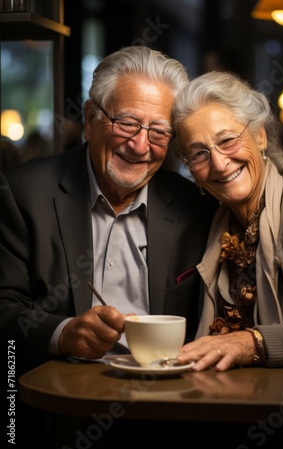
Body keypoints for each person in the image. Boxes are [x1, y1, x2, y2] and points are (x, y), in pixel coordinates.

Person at [0, 46, 219, 378]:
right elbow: (4, 310)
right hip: (60, 399)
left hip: (169, 400)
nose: (140, 145)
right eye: (127, 123)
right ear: (90, 119)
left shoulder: (198, 207)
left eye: (158, 131)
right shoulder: (21, 193)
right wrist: (64, 335)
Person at [172, 70, 283, 372]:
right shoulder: (212, 222)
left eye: (228, 140)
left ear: (260, 135)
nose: (219, 164)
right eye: (199, 154)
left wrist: (253, 342)